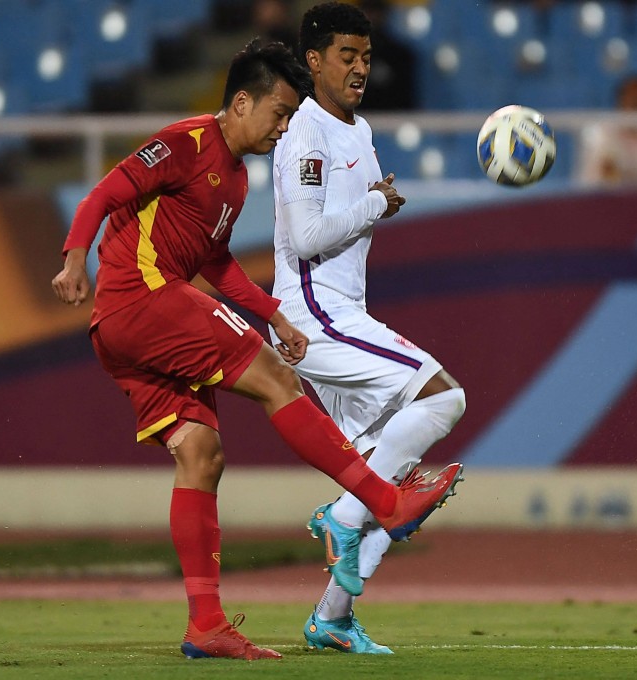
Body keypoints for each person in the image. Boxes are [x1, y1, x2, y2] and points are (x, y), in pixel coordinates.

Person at [51, 39, 463, 661]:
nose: (284, 126)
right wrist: (72, 258)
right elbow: (103, 194)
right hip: (144, 298)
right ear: (240, 102)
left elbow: (214, 261)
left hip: (125, 328)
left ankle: (206, 625)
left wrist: (272, 313)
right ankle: (384, 503)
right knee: (277, 380)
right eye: (278, 112)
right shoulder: (188, 142)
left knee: (202, 455)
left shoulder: (237, 180)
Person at [270, 3, 466, 654]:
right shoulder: (305, 132)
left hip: (340, 308)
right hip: (312, 312)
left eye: (367, 56)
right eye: (347, 56)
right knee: (443, 397)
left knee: (388, 477)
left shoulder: (358, 128)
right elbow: (306, 235)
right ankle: (344, 518)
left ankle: (332, 617)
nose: (360, 68)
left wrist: (369, 202)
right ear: (315, 61)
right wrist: (378, 202)